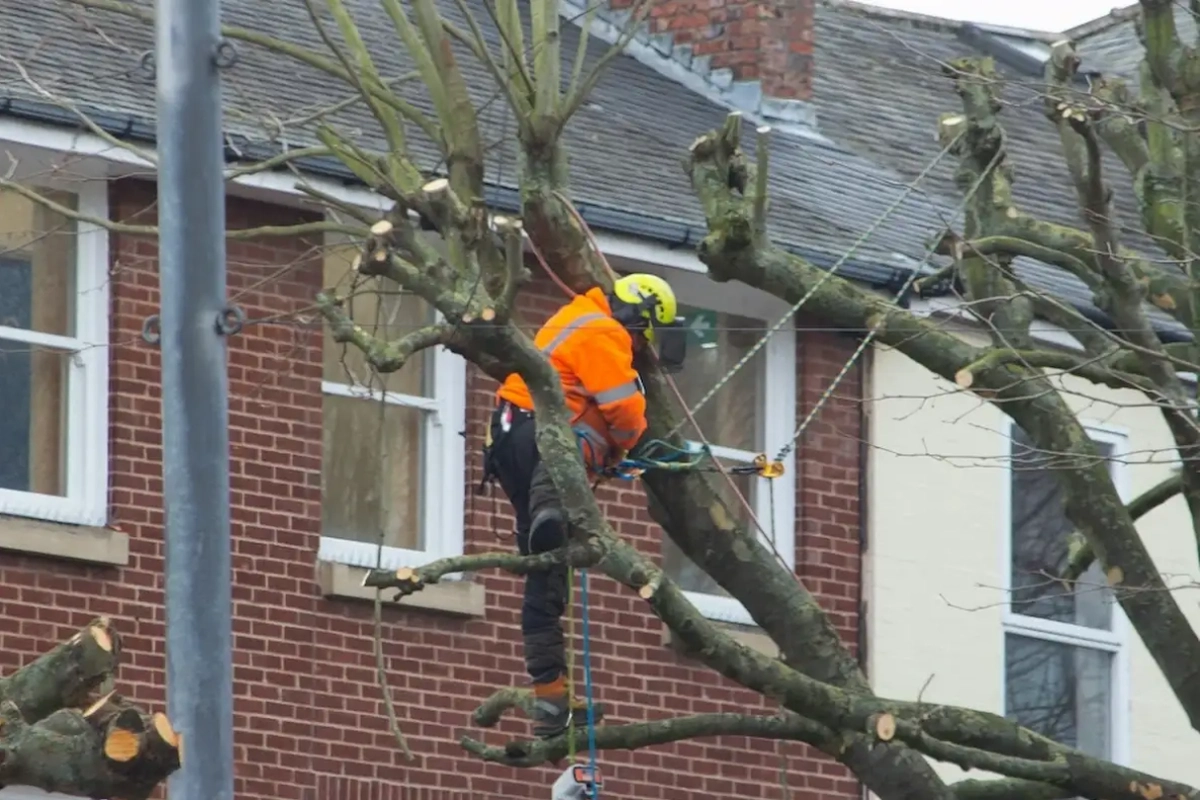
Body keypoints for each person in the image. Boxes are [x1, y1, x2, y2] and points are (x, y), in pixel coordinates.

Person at [482, 272, 678, 738]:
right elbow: (624, 409)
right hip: (541, 436)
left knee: (547, 575)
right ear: (640, 315)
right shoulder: (602, 329)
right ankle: (551, 512)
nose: (641, 344)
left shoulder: (572, 317)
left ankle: (550, 699)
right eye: (644, 334)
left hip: (510, 440)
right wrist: (625, 448)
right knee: (578, 448)